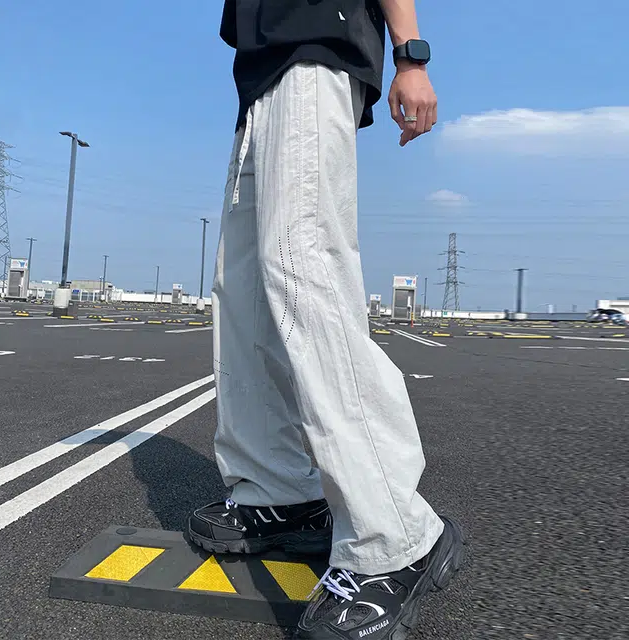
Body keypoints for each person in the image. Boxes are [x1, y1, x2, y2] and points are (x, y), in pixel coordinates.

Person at [188, 1, 465, 637]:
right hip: (260, 75)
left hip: (314, 50)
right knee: (244, 295)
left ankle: (395, 533)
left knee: (302, 265)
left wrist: (411, 55)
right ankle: (278, 492)